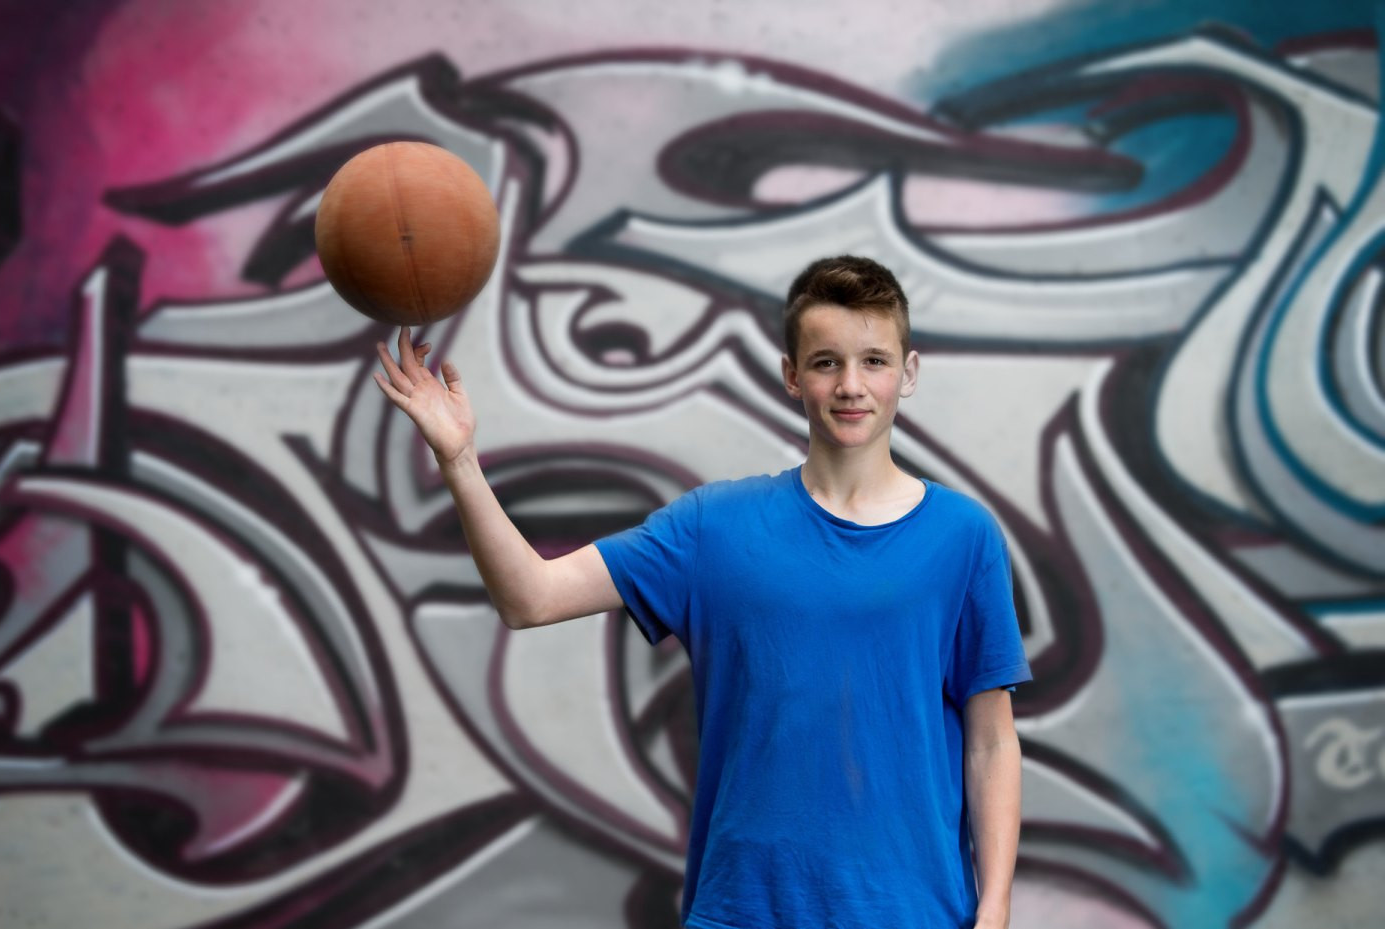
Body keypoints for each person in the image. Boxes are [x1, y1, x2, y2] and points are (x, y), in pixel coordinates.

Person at [373, 255, 1031, 929]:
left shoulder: (964, 536)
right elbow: (530, 597)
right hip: (742, 912)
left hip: (916, 913)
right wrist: (458, 460)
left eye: (874, 361)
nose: (851, 385)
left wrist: (995, 906)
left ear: (908, 372)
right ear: (791, 375)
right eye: (827, 361)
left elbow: (991, 742)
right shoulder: (712, 529)